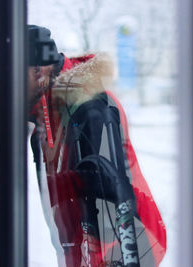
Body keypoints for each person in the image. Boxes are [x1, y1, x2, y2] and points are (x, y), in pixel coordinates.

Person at [27, 25, 167, 267]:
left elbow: (112, 199)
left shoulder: (90, 107)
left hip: (122, 250)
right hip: (82, 251)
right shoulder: (46, 114)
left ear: (39, 71)